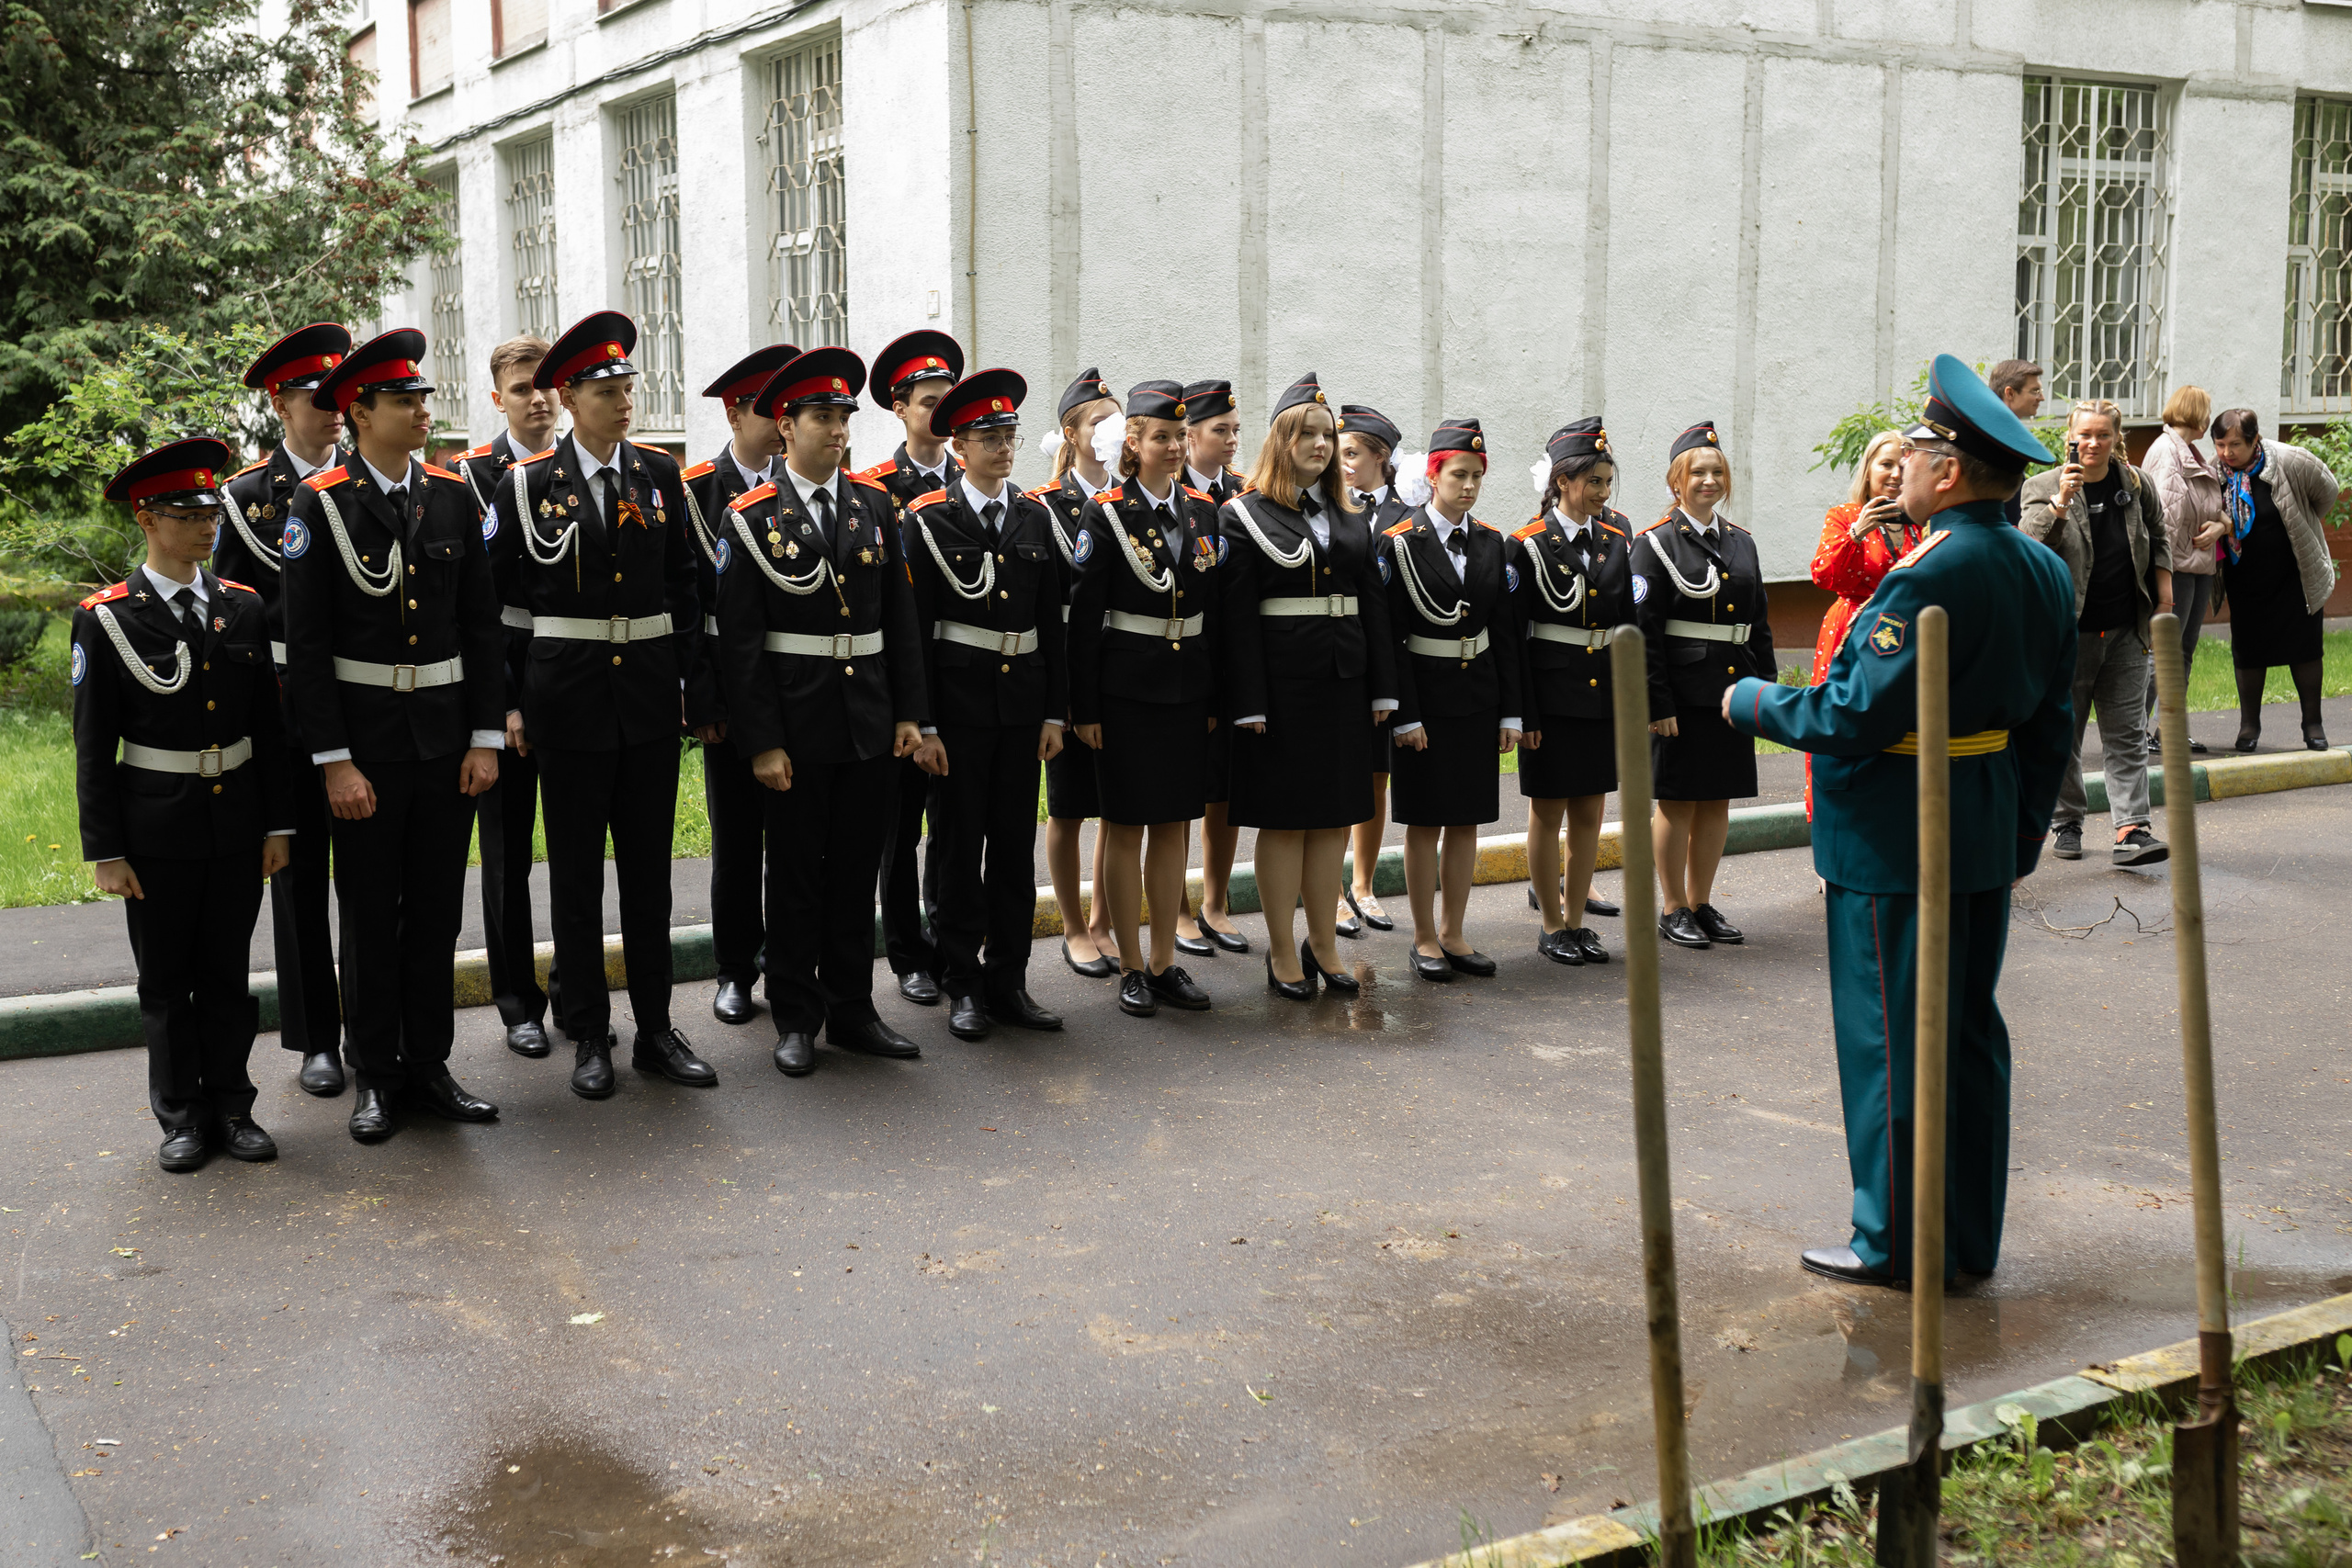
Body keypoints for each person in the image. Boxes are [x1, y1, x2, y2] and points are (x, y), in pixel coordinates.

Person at [1724, 355, 2075, 1287]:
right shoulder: (2041, 568)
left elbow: (1849, 716)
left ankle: (1891, 1242)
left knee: (1889, 1044)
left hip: (1895, 837)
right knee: (1965, 1038)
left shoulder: (1928, 574)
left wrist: (1752, 700)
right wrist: (2020, 834)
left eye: (1919, 451)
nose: (1906, 465)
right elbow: (2051, 725)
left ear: (1949, 471)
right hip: (1981, 832)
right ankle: (1963, 1241)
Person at [279, 329, 505, 1143]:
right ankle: (376, 1072)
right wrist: (333, 761)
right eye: (404, 400)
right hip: (367, 748)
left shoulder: (453, 495)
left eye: (423, 397)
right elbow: (306, 650)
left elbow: (482, 628)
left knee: (439, 912)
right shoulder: (322, 505)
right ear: (360, 411)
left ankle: (430, 1064)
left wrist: (485, 738)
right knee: (371, 914)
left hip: (446, 742)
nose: (421, 410)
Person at [485, 310, 713, 1100]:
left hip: (647, 702)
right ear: (569, 398)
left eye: (628, 388)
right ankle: (587, 1030)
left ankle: (655, 1028)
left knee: (648, 877)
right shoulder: (525, 486)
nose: (624, 403)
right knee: (578, 878)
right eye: (607, 391)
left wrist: (684, 678)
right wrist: (511, 702)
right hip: (568, 704)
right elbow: (501, 606)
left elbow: (686, 585)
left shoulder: (659, 476)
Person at [714, 346, 938, 1076]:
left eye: (843, 416)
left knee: (852, 873)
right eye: (822, 416)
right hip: (798, 726)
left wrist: (910, 713)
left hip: (867, 721)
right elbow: (742, 646)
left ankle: (853, 1009)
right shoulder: (749, 516)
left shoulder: (875, 505)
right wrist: (762, 742)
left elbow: (899, 621)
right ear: (786, 425)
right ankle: (795, 1016)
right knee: (797, 878)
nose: (838, 429)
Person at [76, 439, 293, 1172]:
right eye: (187, 512)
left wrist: (277, 822)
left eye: (211, 510)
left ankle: (234, 1106)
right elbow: (92, 744)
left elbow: (268, 725)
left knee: (229, 975)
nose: (207, 526)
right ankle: (181, 1115)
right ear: (147, 519)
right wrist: (105, 849)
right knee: (167, 981)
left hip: (235, 824)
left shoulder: (242, 606)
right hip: (156, 826)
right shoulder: (107, 619)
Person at [903, 369, 1069, 1040]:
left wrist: (1055, 711)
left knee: (1010, 853)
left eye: (1009, 436)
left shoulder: (1035, 516)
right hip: (960, 711)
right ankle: (962, 982)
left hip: (1021, 709)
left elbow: (1050, 623)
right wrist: (926, 724)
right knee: (956, 849)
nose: (1004, 448)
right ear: (959, 447)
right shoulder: (928, 520)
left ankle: (1010, 980)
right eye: (989, 438)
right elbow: (914, 630)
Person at [1222, 373, 1396, 998]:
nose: (1322, 445)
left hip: (1343, 686)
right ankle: (1280, 951)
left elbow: (1372, 605)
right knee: (1285, 823)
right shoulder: (1244, 515)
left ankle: (1322, 944)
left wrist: (1383, 691)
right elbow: (1237, 618)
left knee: (1332, 821)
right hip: (1280, 692)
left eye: (1329, 435)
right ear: (1282, 440)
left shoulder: (1350, 516)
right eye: (1309, 434)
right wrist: (1247, 703)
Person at [218, 323, 350, 1096]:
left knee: (373, 881)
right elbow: (236, 627)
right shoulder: (243, 501)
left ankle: (375, 1025)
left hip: (363, 704)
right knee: (300, 883)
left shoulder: (368, 480)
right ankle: (315, 1040)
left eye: (341, 399)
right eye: (315, 398)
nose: (333, 412)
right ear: (280, 402)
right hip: (286, 711)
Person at [1067, 380, 1226, 1018]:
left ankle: (1164, 959)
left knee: (1174, 827)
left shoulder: (1202, 512)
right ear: (1131, 440)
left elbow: (1211, 614)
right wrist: (1086, 709)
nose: (1173, 447)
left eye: (1179, 437)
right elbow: (1082, 623)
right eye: (1160, 436)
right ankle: (1129, 962)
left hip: (1186, 691)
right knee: (1126, 827)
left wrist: (1212, 694)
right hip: (1126, 693)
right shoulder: (1105, 514)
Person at [1377, 418, 1522, 983]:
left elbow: (1504, 632)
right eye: (1458, 474)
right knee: (1424, 822)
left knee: (1467, 821)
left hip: (1477, 699)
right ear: (1432, 474)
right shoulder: (1398, 544)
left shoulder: (1491, 542)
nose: (1468, 486)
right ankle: (1422, 935)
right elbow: (1392, 637)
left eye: (1477, 476)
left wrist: (1510, 711)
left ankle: (1455, 930)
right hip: (1426, 702)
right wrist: (1405, 715)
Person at [682, 343, 798, 1028]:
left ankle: (788, 960)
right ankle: (734, 969)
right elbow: (691, 607)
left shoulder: (800, 481)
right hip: (728, 688)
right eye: (768, 409)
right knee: (736, 839)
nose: (781, 421)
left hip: (795, 689)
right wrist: (704, 700)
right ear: (735, 412)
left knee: (793, 838)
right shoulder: (698, 489)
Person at [453, 334, 559, 1061]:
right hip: (509, 688)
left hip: (581, 689)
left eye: (547, 385)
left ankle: (579, 988)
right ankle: (519, 1001)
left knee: (581, 854)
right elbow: (476, 611)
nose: (539, 398)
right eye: (523, 388)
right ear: (498, 399)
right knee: (506, 857)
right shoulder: (470, 478)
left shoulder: (580, 468)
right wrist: (504, 707)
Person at [1634, 422, 1772, 949]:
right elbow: (1643, 632)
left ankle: (1700, 901)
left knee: (1718, 800)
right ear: (1677, 482)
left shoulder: (1742, 544)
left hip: (1733, 691)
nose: (1710, 481)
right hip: (1681, 694)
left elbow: (1759, 625)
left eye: (1718, 472)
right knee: (1677, 801)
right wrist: (1656, 700)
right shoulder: (1655, 544)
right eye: (1699, 473)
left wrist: (1766, 694)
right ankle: (1672, 906)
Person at [859, 330, 965, 1010]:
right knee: (900, 829)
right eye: (928, 401)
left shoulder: (973, 479)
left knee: (955, 828)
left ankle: (950, 939)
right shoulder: (875, 490)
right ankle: (906, 954)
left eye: (947, 398)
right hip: (902, 683)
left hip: (962, 682)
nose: (940, 411)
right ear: (899, 408)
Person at [2018, 399, 2171, 865]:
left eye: (2103, 435)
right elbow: (2028, 545)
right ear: (2069, 435)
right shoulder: (2042, 485)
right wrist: (2061, 504)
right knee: (2065, 734)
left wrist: (2164, 601)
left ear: (2115, 438)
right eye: (2085, 434)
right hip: (2066, 633)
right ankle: (2067, 820)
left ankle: (2131, 829)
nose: (2093, 443)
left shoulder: (2135, 482)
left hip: (2127, 628)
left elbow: (2159, 534)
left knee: (2126, 733)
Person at [1509, 418, 1634, 967]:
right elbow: (1516, 640)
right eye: (1594, 483)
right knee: (1548, 811)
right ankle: (1551, 922)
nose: (1603, 495)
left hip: (1601, 696)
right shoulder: (1527, 546)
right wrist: (1525, 711)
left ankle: (1578, 919)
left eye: (1608, 483)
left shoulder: (1614, 543)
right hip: (1552, 698)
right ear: (1563, 481)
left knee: (1591, 812)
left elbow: (1626, 629)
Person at [1029, 367, 1123, 980]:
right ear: (1071, 431)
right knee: (1068, 807)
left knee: (1119, 804)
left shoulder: (1129, 498)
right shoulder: (1043, 506)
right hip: (1066, 669)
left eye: (1119, 421)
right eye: (1099, 421)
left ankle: (1104, 921)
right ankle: (1072, 926)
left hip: (1123, 669)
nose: (1112, 431)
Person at [2209, 409, 2342, 752]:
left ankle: (2313, 724)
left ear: (2255, 440)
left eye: (2235, 444)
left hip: (2295, 573)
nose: (2226, 453)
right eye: (2220, 444)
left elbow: (2327, 491)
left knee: (2306, 648)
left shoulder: (2289, 460)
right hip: (2246, 578)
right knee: (2249, 650)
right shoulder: (2214, 472)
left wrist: (2304, 523)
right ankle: (2249, 727)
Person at [1804, 429, 1922, 819]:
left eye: (1902, 466)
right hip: (1850, 632)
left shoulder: (1920, 522)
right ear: (1869, 469)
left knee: (1897, 731)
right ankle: (1830, 833)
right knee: (1836, 726)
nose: (1894, 473)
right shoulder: (1844, 516)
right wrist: (1858, 533)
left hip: (1903, 638)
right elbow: (1824, 576)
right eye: (1885, 464)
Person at [1180, 378, 1247, 956]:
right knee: (1182, 790)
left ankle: (1216, 902)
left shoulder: (1245, 493)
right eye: (1219, 430)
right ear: (1190, 434)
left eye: (1235, 430)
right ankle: (1177, 907)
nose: (1230, 440)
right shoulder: (1167, 490)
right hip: (1184, 656)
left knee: (1224, 786)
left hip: (1233, 656)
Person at [1335, 402, 1407, 939]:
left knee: (1378, 778)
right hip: (1342, 656)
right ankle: (1334, 889)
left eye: (1354, 454)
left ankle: (1364, 884)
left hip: (1387, 659)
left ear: (1381, 458)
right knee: (1343, 778)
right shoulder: (1333, 507)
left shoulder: (1408, 514)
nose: (1344, 464)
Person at [2139, 385, 2222, 756]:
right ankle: (2135, 729)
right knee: (2164, 650)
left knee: (2183, 651)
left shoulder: (2191, 452)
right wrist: (2164, 577)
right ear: (2194, 413)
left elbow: (2213, 506)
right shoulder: (2166, 452)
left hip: (2196, 566)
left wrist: (2221, 525)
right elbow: (2165, 521)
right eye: (2206, 411)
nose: (2209, 419)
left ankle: (2169, 729)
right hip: (2176, 567)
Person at [1988, 359, 2044, 526]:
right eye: (2035, 391)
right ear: (2010, 393)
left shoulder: (2005, 431)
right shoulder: (1993, 437)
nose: (2041, 397)